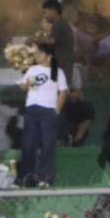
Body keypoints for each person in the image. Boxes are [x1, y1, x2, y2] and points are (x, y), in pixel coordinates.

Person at [17, 45, 67, 189]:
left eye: (40, 53)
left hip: (48, 111)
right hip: (32, 109)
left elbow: (63, 92)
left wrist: (57, 109)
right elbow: (25, 87)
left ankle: (45, 177)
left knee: (47, 144)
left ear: (49, 56)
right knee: (29, 144)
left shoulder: (58, 72)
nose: (37, 55)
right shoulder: (33, 69)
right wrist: (26, 84)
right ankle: (27, 177)